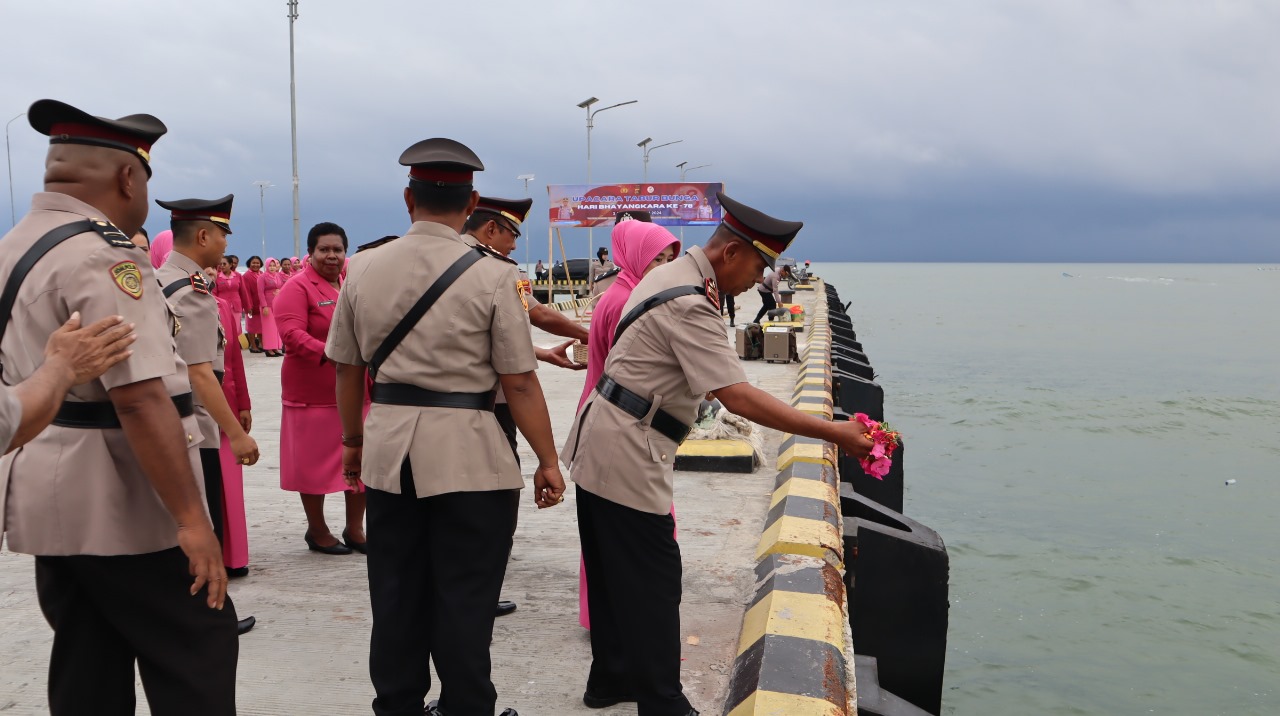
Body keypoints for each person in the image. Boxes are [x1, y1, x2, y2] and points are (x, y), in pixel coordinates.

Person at [562, 191, 874, 715]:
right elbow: (738, 395)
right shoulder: (690, 302)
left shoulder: (667, 275)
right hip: (627, 449)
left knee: (614, 569)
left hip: (601, 435)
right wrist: (831, 431)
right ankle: (663, 703)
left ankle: (611, 678)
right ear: (730, 253)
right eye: (757, 267)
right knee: (656, 580)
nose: (757, 281)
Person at [0, 98, 237, 715]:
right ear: (128, 177)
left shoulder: (17, 243)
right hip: (123, 495)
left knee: (89, 654)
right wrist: (190, 519)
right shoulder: (104, 255)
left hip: (51, 489)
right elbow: (139, 399)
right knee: (198, 649)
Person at [326, 138, 566, 716]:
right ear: (473, 201)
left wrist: (353, 445)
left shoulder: (362, 268)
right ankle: (466, 706)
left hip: (389, 452)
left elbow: (347, 369)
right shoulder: (493, 276)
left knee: (395, 593)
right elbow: (520, 382)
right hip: (470, 457)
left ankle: (399, 706)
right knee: (466, 596)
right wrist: (548, 460)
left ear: (408, 198)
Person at [462, 195, 587, 619]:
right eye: (512, 234)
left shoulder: (441, 262)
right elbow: (536, 314)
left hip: (437, 409)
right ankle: (480, 588)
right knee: (495, 500)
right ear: (491, 229)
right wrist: (594, 334)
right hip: (490, 405)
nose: (515, 246)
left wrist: (541, 350)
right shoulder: (497, 271)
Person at [155, 195, 260, 637]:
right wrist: (237, 435)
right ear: (202, 236)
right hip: (195, 427)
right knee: (202, 521)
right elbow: (200, 372)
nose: (223, 244)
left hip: (170, 421)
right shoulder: (191, 290)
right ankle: (206, 618)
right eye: (221, 234)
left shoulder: (160, 280)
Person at [574, 217, 680, 631]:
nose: (665, 268)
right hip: (620, 421)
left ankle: (603, 617)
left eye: (670, 258)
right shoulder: (625, 302)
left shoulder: (620, 293)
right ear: (636, 258)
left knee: (606, 532)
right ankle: (622, 620)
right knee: (633, 529)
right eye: (658, 259)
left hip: (606, 410)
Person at [275, 222, 368, 555]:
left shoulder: (349, 284)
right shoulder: (296, 288)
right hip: (313, 395)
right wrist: (335, 355)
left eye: (338, 250)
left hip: (356, 392)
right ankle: (317, 530)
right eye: (324, 250)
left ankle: (355, 529)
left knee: (362, 463)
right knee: (312, 467)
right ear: (311, 253)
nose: (332, 256)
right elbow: (292, 336)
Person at [204, 265, 254, 579]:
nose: (210, 271)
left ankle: (234, 557)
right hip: (197, 411)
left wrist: (245, 404)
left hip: (229, 407)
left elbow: (234, 358)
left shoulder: (222, 306)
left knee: (230, 485)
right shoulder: (167, 301)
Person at [257, 258, 285, 357]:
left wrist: (279, 292)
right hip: (267, 305)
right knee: (269, 328)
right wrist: (264, 306)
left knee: (276, 327)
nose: (272, 267)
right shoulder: (262, 277)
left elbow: (282, 287)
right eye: (270, 265)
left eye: (274, 265)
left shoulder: (277, 276)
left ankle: (276, 347)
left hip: (276, 304)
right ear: (266, 266)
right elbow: (260, 292)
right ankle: (269, 349)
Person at [215, 254, 245, 335]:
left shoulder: (238, 276)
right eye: (220, 264)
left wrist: (247, 307)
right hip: (222, 307)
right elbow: (214, 293)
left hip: (236, 306)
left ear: (230, 265)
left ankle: (235, 347)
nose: (222, 266)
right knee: (225, 329)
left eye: (224, 264)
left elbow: (243, 292)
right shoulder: (216, 276)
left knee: (236, 328)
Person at [241, 256, 264, 353]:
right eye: (253, 263)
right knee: (251, 327)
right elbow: (246, 291)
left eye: (257, 263)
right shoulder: (246, 276)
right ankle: (253, 345)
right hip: (251, 304)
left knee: (261, 326)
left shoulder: (262, 274)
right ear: (249, 264)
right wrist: (248, 305)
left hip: (261, 304)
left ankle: (261, 344)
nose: (255, 265)